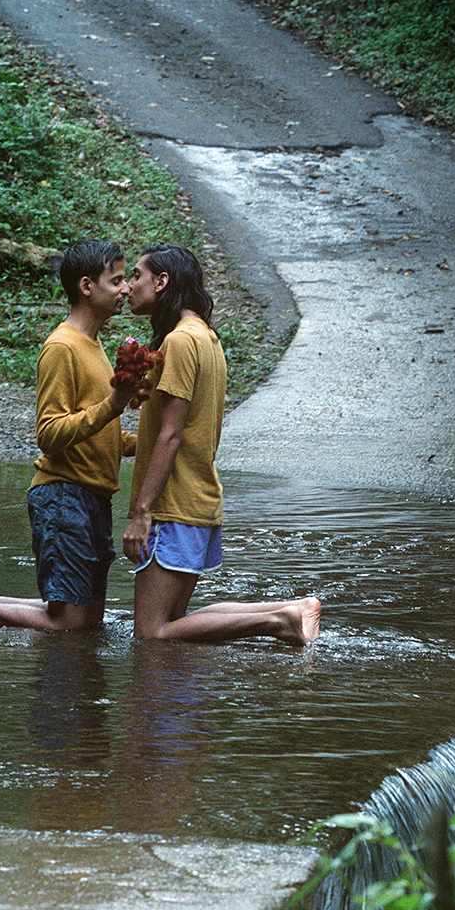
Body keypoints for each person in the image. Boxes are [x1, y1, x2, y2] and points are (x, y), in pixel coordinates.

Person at [0, 238, 137, 632]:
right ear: (87, 287)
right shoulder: (62, 346)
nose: (126, 289)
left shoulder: (94, 345)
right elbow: (49, 433)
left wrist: (154, 437)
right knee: (67, 622)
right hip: (64, 495)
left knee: (88, 620)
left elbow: (97, 432)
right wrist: (113, 406)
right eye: (116, 281)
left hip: (92, 496)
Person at [123, 244, 321, 644]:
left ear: (162, 282)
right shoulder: (206, 337)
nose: (128, 286)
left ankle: (276, 621)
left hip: (174, 505)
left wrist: (142, 512)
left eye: (137, 276)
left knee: (151, 633)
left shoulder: (180, 341)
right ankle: (291, 609)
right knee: (174, 621)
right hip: (199, 500)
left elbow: (171, 433)